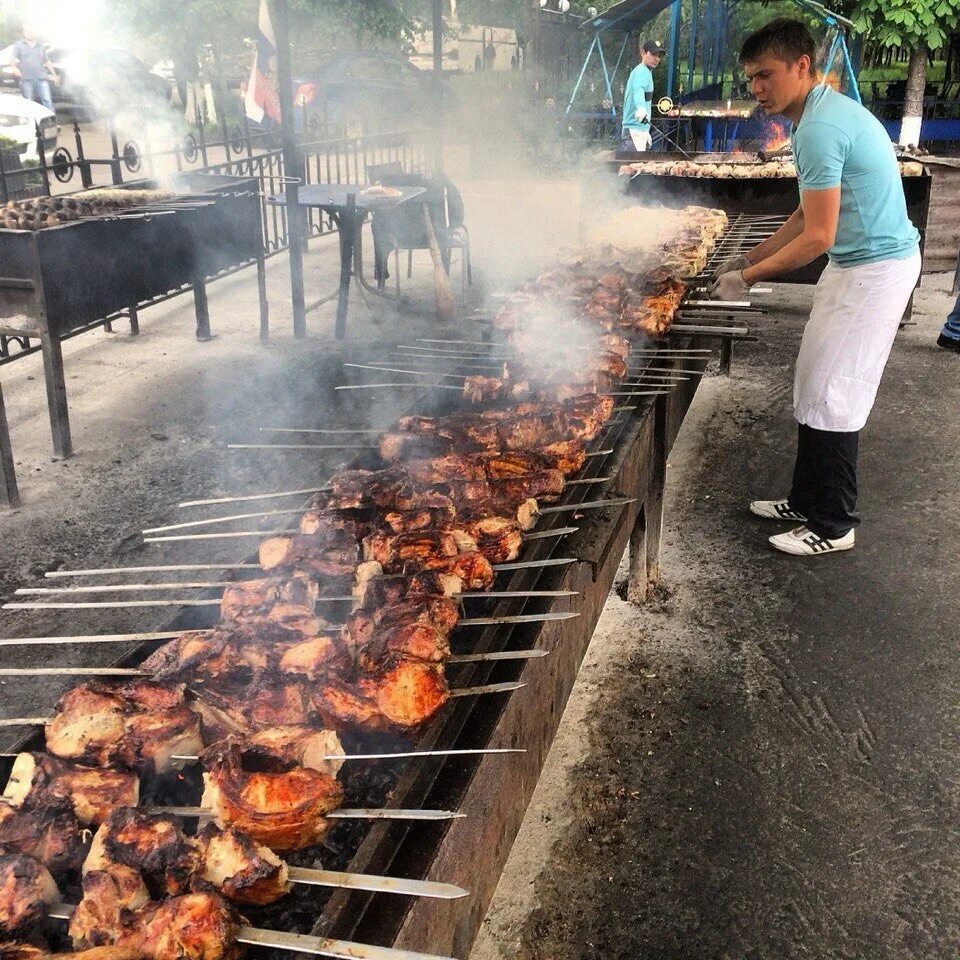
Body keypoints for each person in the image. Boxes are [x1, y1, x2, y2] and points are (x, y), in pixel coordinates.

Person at [712, 18, 921, 557]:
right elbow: (807, 212)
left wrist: (748, 278)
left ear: (802, 67)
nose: (757, 89)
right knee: (813, 381)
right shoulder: (816, 118)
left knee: (837, 392)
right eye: (751, 79)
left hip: (875, 270)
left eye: (766, 75)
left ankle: (833, 524)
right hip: (856, 263)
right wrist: (750, 255)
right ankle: (805, 499)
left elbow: (820, 236)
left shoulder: (821, 128)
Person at [621, 39, 664, 153]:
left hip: (639, 131)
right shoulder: (642, 72)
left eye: (659, 56)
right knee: (631, 169)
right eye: (653, 54)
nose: (656, 58)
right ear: (643, 53)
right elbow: (638, 91)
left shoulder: (646, 71)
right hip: (634, 132)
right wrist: (640, 107)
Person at [10, 26, 57, 113]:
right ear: (24, 33)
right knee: (29, 103)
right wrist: (14, 68)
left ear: (35, 33)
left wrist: (54, 75)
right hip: (26, 79)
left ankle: (52, 123)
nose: (29, 33)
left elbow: (47, 61)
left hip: (42, 78)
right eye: (27, 31)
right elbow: (12, 59)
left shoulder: (40, 46)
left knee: (48, 102)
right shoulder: (19, 45)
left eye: (31, 31)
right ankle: (31, 125)